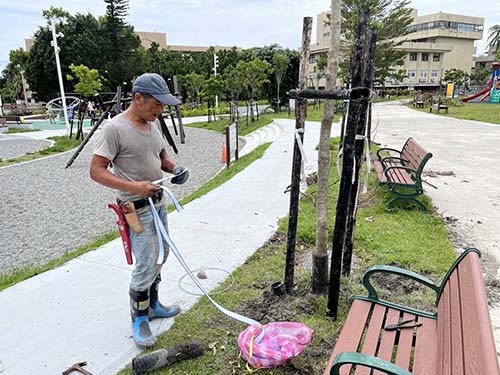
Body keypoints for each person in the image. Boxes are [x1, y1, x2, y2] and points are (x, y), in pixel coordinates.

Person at [89, 73, 189, 348]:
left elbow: (162, 157)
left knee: (162, 255)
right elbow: (96, 171)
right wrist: (134, 186)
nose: (161, 110)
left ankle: (154, 304)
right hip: (137, 209)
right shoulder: (114, 129)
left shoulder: (152, 124)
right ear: (138, 98)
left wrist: (175, 168)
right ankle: (139, 317)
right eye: (157, 104)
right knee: (146, 263)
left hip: (158, 203)